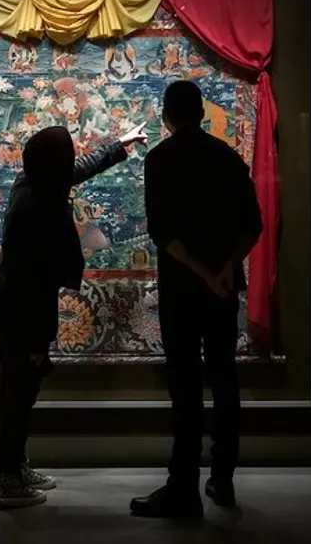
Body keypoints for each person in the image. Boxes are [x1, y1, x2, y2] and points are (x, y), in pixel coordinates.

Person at [0, 122, 148, 509]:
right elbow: (30, 284)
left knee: (20, 390)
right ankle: (8, 480)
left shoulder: (35, 181)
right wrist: (38, 340)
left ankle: (17, 466)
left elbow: (77, 168)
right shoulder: (35, 208)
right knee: (17, 394)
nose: (71, 162)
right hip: (21, 308)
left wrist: (118, 147)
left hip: (18, 302)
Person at [130, 80, 263, 519]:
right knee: (225, 381)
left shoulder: (160, 159)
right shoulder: (227, 157)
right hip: (223, 289)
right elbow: (253, 225)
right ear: (202, 113)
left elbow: (162, 233)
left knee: (185, 390)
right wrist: (225, 268)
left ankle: (182, 489)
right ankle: (222, 480)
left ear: (166, 115)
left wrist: (204, 273)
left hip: (184, 292)